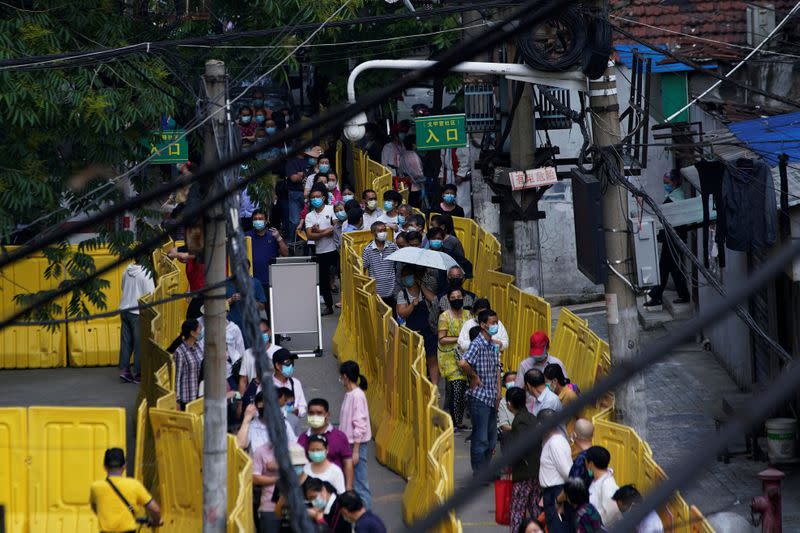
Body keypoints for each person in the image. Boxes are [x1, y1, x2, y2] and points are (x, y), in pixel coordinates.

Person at [457, 310, 502, 474]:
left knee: (491, 440)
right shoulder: (477, 344)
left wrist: (498, 392)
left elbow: (497, 368)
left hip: (491, 397)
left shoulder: (492, 345)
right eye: (492, 323)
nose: (495, 326)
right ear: (483, 325)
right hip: (479, 397)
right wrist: (474, 376)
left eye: (496, 322)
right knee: (481, 438)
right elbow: (463, 363)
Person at [645, 170, 690, 307]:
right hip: (671, 239)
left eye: (667, 183)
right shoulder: (674, 196)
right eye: (664, 183)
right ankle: (658, 295)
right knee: (667, 267)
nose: (665, 186)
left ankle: (661, 295)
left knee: (670, 267)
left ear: (675, 182)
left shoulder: (676, 198)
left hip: (673, 239)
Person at [90, 448, 162, 531]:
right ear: (124, 466)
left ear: (105, 467)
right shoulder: (134, 485)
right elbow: (155, 509)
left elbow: (95, 508)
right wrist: (156, 521)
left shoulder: (95, 487)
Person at [505, 386, 543, 532]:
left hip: (523, 472)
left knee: (517, 509)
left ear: (509, 404)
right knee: (534, 507)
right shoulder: (531, 417)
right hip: (536, 470)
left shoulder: (518, 421)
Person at [395, 265, 438, 384]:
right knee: (415, 360)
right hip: (412, 332)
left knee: (432, 359)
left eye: (408, 275)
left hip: (428, 330)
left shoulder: (423, 290)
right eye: (403, 276)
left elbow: (434, 301)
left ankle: (434, 387)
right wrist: (412, 305)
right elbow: (402, 313)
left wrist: (423, 288)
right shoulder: (402, 294)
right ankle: (418, 385)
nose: (405, 278)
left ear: (414, 276)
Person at [298, 398, 354, 489]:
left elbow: (348, 463)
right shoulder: (302, 438)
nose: (315, 416)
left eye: (319, 413)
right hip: (309, 491)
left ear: (327, 415)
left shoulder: (339, 437)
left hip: (335, 488)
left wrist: (348, 488)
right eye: (311, 413)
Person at [339, 361, 373, 510]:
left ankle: (366, 516)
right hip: (350, 444)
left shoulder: (357, 396)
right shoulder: (351, 394)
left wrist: (356, 451)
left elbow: (360, 424)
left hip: (355, 445)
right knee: (354, 483)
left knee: (360, 484)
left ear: (345, 377)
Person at [437, 288, 471, 430]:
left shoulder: (468, 315)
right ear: (449, 299)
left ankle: (458, 420)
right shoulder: (445, 316)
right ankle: (455, 422)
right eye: (453, 297)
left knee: (463, 389)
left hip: (465, 355)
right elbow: (442, 338)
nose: (456, 299)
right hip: (449, 357)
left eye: (459, 296)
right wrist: (460, 339)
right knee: (456, 387)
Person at [118, 258, 154, 383]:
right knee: (140, 343)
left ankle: (124, 370)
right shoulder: (146, 273)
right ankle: (138, 373)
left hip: (124, 310)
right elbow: (150, 295)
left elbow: (123, 287)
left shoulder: (126, 270)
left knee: (126, 342)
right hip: (138, 313)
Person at [538, 409, 572, 533]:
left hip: (556, 493)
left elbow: (567, 472)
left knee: (557, 528)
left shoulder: (555, 443)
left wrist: (561, 498)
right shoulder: (554, 440)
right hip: (553, 492)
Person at [306, 183, 338, 315]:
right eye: (312, 197)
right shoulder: (309, 216)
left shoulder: (331, 210)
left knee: (340, 276)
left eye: (317, 196)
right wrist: (325, 232)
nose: (315, 199)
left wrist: (318, 232)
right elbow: (309, 235)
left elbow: (335, 228)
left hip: (335, 249)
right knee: (324, 281)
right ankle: (329, 306)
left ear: (324, 197)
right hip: (320, 251)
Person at [246, 209, 288, 300]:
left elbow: (286, 253)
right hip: (252, 281)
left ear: (266, 220)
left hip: (271, 281)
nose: (258, 221)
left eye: (260, 218)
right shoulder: (247, 236)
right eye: (255, 219)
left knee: (271, 311)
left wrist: (279, 237)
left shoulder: (273, 235)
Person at [362, 221, 398, 309]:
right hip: (376, 293)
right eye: (380, 231)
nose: (383, 233)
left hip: (392, 291)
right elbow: (363, 268)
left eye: (384, 230)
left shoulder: (392, 247)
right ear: (373, 233)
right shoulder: (367, 250)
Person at [586, 445, 621, 527]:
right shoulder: (597, 480)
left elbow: (613, 512)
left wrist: (596, 524)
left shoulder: (607, 484)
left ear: (590, 464)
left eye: (585, 461)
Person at [174, 318, 204, 410]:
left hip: (199, 396)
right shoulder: (180, 352)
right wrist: (177, 400)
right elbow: (177, 377)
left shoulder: (199, 346)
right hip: (186, 398)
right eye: (199, 329)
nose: (200, 331)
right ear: (192, 333)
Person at [252, 439, 281, 532]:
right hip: (269, 506)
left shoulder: (295, 448)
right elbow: (255, 478)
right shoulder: (261, 451)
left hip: (294, 507)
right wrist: (279, 480)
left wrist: (279, 465)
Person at [439, 142, 472, 218]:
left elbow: (466, 157)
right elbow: (442, 157)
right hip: (448, 172)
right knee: (447, 200)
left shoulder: (460, 135)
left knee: (461, 200)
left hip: (459, 172)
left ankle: (464, 222)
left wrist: (461, 173)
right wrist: (442, 174)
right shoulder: (444, 137)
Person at [272, 348, 308, 417]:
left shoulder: (296, 383)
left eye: (292, 362)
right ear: (277, 366)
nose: (291, 366)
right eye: (288, 363)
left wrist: (297, 411)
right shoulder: (265, 385)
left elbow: (302, 406)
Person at [399, 135, 426, 208]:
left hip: (406, 187)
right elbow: (418, 174)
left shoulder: (403, 155)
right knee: (415, 209)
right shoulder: (413, 156)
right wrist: (423, 183)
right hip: (415, 188)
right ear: (413, 144)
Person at [568, 418, 595, 487]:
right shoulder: (596, 453)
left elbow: (572, 486)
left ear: (574, 435)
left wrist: (556, 498)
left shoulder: (580, 459)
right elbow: (591, 474)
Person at [497, 371, 518, 442]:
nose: (512, 382)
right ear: (505, 384)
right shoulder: (503, 402)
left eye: (515, 380)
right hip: (512, 432)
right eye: (509, 381)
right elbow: (504, 425)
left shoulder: (527, 398)